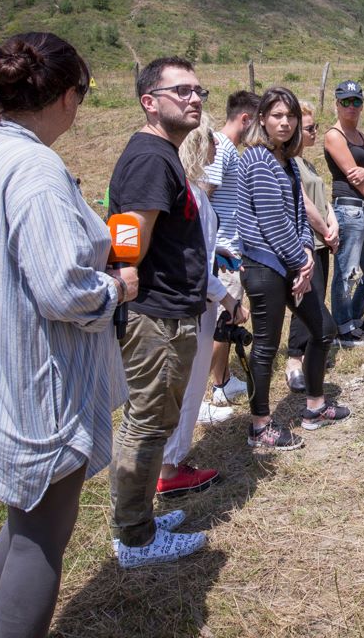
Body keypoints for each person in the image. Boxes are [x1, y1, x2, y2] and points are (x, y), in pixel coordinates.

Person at [0, 32, 139, 636]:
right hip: (36, 372)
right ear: (60, 95)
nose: (80, 108)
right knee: (43, 534)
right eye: (80, 94)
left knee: (22, 509)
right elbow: (63, 291)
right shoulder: (35, 168)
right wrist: (117, 288)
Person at [107, 56, 218, 568]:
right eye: (181, 91)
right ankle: (133, 539)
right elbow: (129, 224)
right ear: (150, 101)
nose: (194, 98)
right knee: (147, 424)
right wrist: (126, 268)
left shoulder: (163, 153)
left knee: (156, 420)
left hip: (170, 311)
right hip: (154, 314)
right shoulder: (152, 156)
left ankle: (142, 518)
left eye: (198, 90)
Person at [238, 87, 348, 451]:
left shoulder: (285, 159)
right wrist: (301, 260)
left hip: (289, 261)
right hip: (264, 265)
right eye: (276, 116)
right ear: (262, 120)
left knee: (323, 329)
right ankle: (260, 426)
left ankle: (314, 407)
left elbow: (299, 215)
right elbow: (271, 222)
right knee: (266, 347)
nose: (284, 122)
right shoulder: (256, 159)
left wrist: (304, 250)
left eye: (290, 116)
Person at [156, 122, 248, 497]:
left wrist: (218, 253)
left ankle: (171, 462)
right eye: (212, 141)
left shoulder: (192, 192)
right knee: (189, 385)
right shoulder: (191, 195)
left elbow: (201, 250)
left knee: (186, 385)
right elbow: (193, 260)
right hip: (195, 304)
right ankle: (170, 468)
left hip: (197, 301)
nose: (217, 148)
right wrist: (228, 300)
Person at [207, 90, 261, 406]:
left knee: (226, 319)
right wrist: (211, 247)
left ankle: (223, 379)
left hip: (228, 250)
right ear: (245, 119)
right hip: (221, 252)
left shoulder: (227, 149)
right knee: (222, 321)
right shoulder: (221, 149)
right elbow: (203, 197)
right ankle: (219, 385)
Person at [325, 80, 364, 346]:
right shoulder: (334, 136)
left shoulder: (361, 136)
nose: (351, 107)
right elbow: (354, 177)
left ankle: (353, 319)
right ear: (337, 104)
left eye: (356, 102)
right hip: (350, 208)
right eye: (346, 102)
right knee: (346, 272)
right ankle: (343, 328)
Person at [284, 100, 340, 392]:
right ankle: (294, 360)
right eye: (309, 128)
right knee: (306, 302)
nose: (314, 132)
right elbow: (303, 205)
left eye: (314, 126)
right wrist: (326, 230)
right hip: (306, 242)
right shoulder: (288, 164)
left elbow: (322, 199)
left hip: (321, 241)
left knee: (316, 297)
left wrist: (333, 223)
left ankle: (308, 355)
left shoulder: (308, 163)